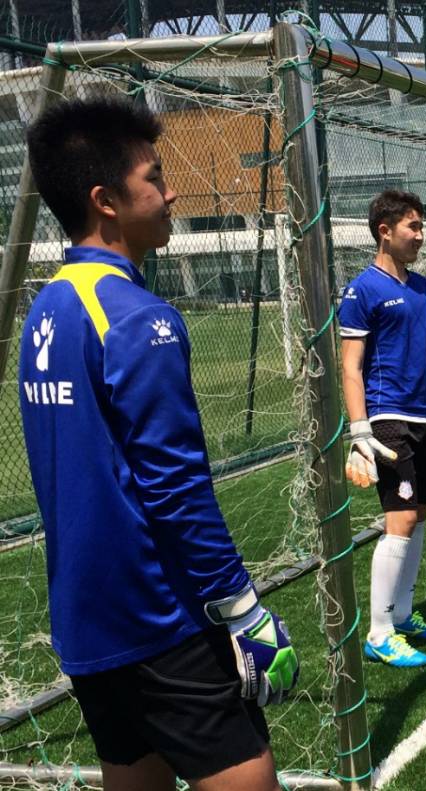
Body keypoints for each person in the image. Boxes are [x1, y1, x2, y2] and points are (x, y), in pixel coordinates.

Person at [17, 97, 298, 791]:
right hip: (159, 620)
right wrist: (243, 609)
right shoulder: (137, 317)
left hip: (86, 626)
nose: (172, 194)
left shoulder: (46, 307)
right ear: (106, 200)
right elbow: (176, 489)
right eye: (155, 177)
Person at [339, 189, 426, 668]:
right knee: (398, 520)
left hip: (423, 417)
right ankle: (379, 633)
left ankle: (401, 615)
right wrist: (360, 432)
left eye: (421, 227)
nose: (420, 236)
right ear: (385, 231)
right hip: (386, 418)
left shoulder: (421, 287)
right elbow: (351, 366)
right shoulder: (362, 290)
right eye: (412, 227)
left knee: (418, 515)